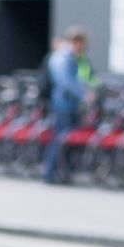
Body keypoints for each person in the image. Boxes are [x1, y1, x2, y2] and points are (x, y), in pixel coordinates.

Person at [43, 25, 89, 184]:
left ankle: (60, 173)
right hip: (64, 103)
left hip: (66, 102)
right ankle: (51, 174)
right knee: (60, 138)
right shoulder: (64, 56)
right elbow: (66, 81)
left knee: (63, 139)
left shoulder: (69, 56)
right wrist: (83, 95)